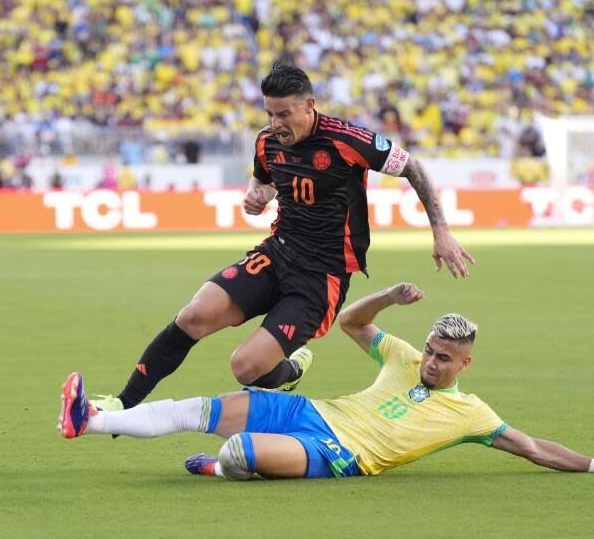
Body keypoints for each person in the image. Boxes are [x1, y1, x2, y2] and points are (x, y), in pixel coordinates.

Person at [90, 63, 475, 412]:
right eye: (270, 113)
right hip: (278, 252)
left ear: (309, 105)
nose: (275, 123)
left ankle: (289, 370)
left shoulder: (347, 140)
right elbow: (264, 177)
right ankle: (122, 403)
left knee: (245, 367)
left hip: (322, 275)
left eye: (284, 113)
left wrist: (440, 231)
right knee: (193, 316)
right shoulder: (267, 140)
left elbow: (414, 167)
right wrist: (257, 193)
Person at [58, 283, 594, 480]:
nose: (431, 362)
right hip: (315, 414)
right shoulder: (400, 355)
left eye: (444, 358)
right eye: (432, 350)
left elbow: (534, 448)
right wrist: (390, 297)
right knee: (198, 409)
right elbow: (350, 321)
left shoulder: (472, 414)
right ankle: (90, 420)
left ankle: (220, 470)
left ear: (464, 364)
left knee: (235, 451)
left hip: (341, 453)